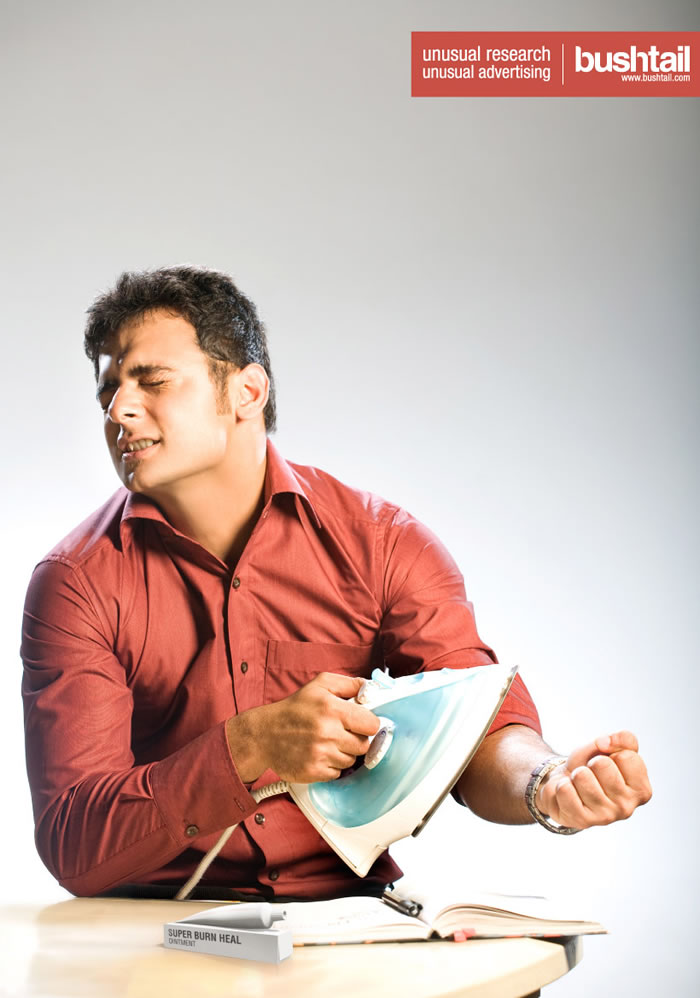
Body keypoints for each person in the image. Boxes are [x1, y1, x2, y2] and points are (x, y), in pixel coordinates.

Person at [21, 266, 652, 901]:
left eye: (152, 381)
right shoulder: (76, 584)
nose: (119, 410)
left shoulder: (384, 545)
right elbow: (74, 841)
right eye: (108, 394)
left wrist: (548, 785)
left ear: (246, 391)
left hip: (345, 922)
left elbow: (477, 723)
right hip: (149, 928)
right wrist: (249, 746)